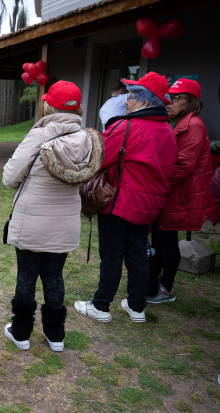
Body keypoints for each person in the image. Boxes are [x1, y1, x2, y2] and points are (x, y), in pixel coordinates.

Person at [2, 81, 101, 352]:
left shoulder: (38, 136)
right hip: (65, 224)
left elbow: (10, 177)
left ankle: (21, 332)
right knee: (54, 276)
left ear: (48, 105)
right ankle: (55, 334)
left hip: (31, 223)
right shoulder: (88, 140)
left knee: (26, 276)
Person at [74, 72, 178, 323]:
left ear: (144, 102)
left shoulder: (126, 125)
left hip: (120, 202)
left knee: (112, 255)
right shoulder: (168, 131)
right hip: (149, 206)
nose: (126, 101)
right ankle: (137, 306)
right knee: (138, 254)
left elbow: (100, 159)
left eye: (131, 97)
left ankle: (101, 306)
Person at [148, 79, 218, 304]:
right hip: (171, 192)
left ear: (191, 101)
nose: (169, 102)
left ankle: (166, 288)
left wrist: (158, 190)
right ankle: (155, 282)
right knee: (160, 238)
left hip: (177, 193)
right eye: (169, 97)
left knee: (167, 242)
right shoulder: (181, 122)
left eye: (176, 98)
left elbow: (182, 167)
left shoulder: (193, 125)